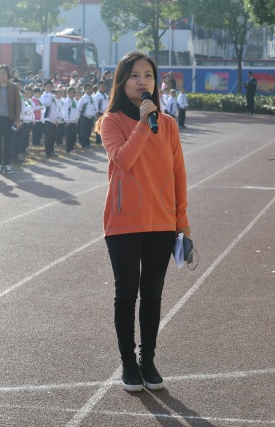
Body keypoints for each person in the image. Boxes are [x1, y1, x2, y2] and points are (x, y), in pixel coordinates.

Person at [95, 51, 190, 391]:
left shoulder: (168, 125)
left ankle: (147, 359)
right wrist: (141, 123)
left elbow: (178, 174)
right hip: (123, 223)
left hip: (162, 223)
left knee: (153, 293)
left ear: (156, 81)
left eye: (148, 75)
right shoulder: (112, 121)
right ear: (122, 81)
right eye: (134, 75)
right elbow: (122, 160)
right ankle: (127, 363)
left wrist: (183, 222)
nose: (142, 81)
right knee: (127, 293)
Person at [0, 64, 21, 174]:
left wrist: (17, 119)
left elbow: (17, 104)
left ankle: (7, 164)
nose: (1, 76)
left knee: (7, 142)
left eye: (4, 73)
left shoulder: (14, 87)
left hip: (9, 118)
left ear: (8, 75)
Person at [77, 83, 96, 148]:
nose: (89, 90)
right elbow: (79, 108)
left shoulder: (92, 98)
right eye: (88, 89)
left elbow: (93, 107)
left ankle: (88, 143)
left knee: (89, 130)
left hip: (91, 117)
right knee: (84, 131)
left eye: (90, 89)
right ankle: (84, 144)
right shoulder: (83, 98)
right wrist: (80, 115)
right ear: (84, 90)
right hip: (85, 116)